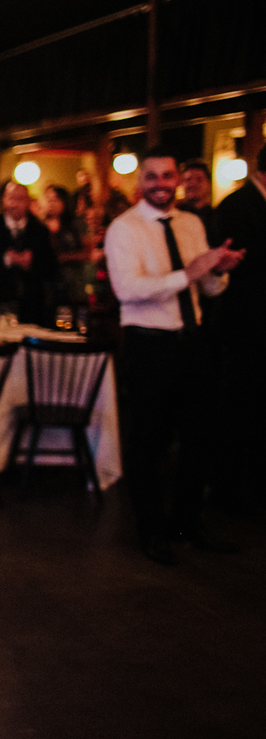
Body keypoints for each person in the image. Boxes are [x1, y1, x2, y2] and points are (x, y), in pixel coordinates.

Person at [104, 148, 243, 566]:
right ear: (139, 183)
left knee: (200, 438)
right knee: (148, 442)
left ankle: (187, 525)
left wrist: (219, 270)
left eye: (168, 176)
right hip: (150, 344)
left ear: (178, 179)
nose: (161, 184)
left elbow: (209, 291)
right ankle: (151, 531)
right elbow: (127, 290)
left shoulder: (192, 223)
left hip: (192, 341)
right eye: (153, 177)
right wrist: (191, 272)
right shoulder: (123, 229)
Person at [210, 146, 266, 516]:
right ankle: (233, 495)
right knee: (242, 410)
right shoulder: (236, 206)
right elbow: (231, 268)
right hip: (245, 326)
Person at [0, 180, 58, 325]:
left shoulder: (39, 230)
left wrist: (31, 262)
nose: (14, 204)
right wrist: (6, 259)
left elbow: (52, 268)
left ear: (28, 202)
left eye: (19, 199)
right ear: (4, 200)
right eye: (10, 198)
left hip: (31, 306)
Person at [42, 184, 88, 307]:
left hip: (72, 282)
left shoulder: (75, 225)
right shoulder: (40, 226)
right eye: (49, 200)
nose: (51, 203)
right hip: (47, 284)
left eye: (55, 200)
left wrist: (66, 257)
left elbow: (87, 253)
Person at [178, 159, 215, 242]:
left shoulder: (218, 217)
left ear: (209, 184)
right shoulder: (174, 216)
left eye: (199, 179)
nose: (193, 184)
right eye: (188, 180)